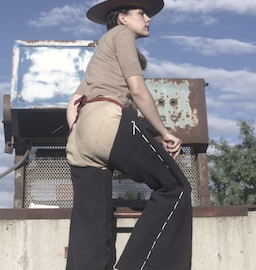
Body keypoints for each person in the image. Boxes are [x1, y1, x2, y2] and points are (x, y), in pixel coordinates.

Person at [65, 0, 192, 269]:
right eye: (141, 13)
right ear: (122, 18)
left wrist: (79, 133)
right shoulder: (122, 35)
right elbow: (137, 90)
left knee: (91, 223)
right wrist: (164, 132)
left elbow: (73, 103)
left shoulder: (100, 52)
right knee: (176, 187)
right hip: (108, 118)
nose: (148, 18)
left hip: (81, 136)